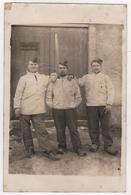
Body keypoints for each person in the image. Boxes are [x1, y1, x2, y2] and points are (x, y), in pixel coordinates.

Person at [14, 57, 60, 160]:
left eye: (35, 65)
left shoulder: (43, 77)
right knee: (26, 130)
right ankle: (29, 149)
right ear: (28, 66)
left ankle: (47, 151)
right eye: (31, 65)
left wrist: (54, 76)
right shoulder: (23, 78)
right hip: (24, 108)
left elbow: (52, 78)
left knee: (42, 130)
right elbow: (18, 94)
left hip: (38, 108)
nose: (33, 66)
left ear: (38, 66)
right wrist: (17, 107)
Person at [46, 61, 86, 156]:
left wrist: (73, 105)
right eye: (60, 68)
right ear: (57, 70)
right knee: (59, 129)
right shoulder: (53, 81)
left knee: (73, 129)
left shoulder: (72, 81)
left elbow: (78, 96)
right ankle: (61, 147)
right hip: (57, 109)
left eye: (64, 68)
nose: (62, 70)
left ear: (67, 70)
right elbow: (48, 95)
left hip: (70, 110)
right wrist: (52, 105)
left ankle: (78, 148)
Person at [79, 58, 118, 155]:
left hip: (104, 106)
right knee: (93, 126)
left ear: (100, 67)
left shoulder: (105, 77)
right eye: (94, 66)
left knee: (106, 126)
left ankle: (108, 145)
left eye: (97, 66)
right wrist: (70, 77)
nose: (95, 67)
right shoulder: (87, 77)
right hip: (91, 106)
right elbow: (79, 82)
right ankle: (95, 144)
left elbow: (111, 90)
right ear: (91, 67)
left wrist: (109, 103)